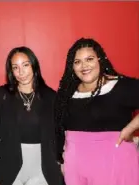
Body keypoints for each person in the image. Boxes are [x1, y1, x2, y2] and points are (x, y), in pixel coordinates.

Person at [55, 38, 139, 185]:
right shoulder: (67, 94)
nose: (84, 65)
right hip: (76, 170)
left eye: (89, 59)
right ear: (72, 67)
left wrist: (130, 128)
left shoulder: (120, 86)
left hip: (115, 166)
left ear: (100, 60)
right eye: (77, 62)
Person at [0, 46, 63, 185]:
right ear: (11, 71)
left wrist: (60, 162)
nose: (21, 72)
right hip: (8, 167)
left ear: (34, 65)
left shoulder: (50, 97)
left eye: (25, 65)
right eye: (15, 67)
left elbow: (59, 133)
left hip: (43, 167)